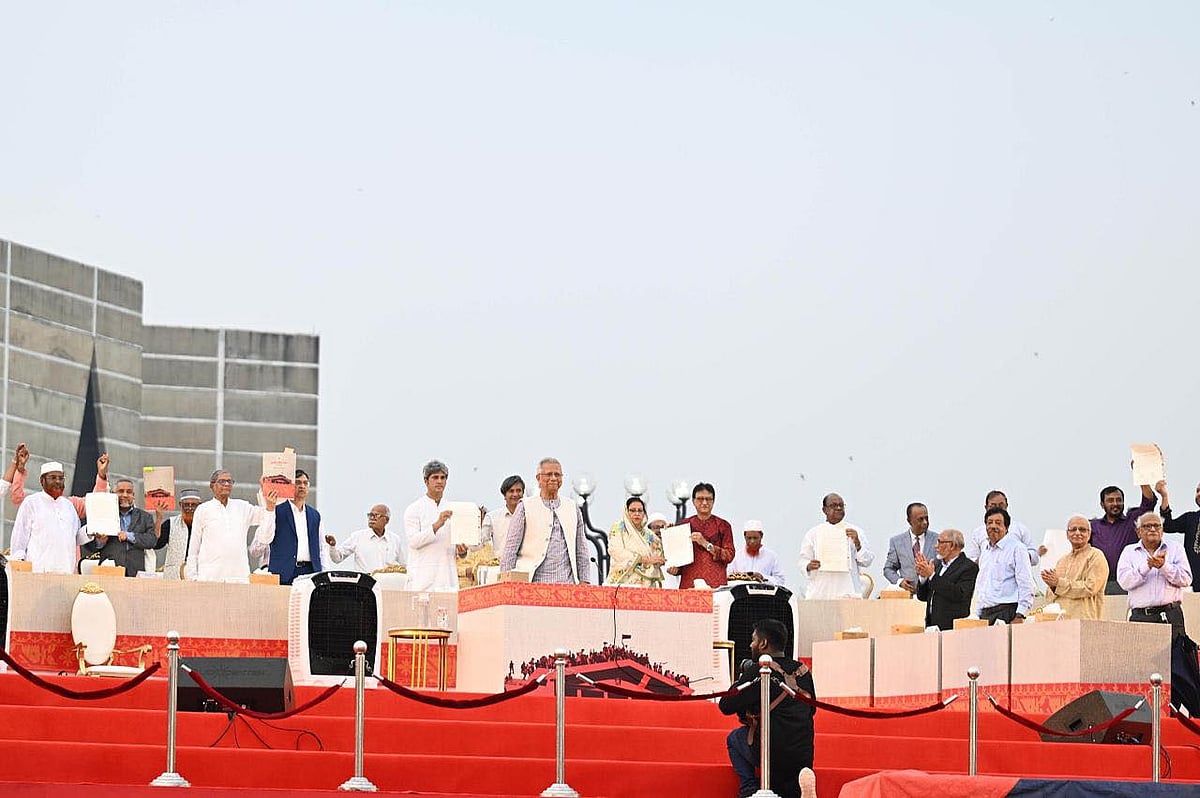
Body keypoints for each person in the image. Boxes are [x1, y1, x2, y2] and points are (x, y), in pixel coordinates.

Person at [718, 618, 815, 798]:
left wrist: (741, 679)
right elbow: (812, 710)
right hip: (803, 755)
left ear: (763, 643)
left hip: (771, 753)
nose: (751, 645)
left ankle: (749, 789)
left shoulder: (760, 670)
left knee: (734, 738)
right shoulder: (803, 671)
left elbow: (725, 705)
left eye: (753, 640)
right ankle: (803, 788)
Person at [500, 457, 591, 584]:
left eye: (557, 474)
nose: (553, 478)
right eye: (548, 474)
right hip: (532, 584)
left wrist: (585, 581)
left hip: (567, 583)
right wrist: (506, 584)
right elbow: (510, 550)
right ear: (538, 479)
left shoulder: (572, 507)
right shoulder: (525, 506)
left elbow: (581, 548)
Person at [186, 470, 278, 581]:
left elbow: (265, 516)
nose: (226, 484)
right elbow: (194, 548)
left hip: (239, 577)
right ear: (212, 485)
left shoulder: (242, 507)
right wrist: (192, 577)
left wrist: (267, 497)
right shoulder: (203, 510)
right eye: (222, 481)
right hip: (210, 577)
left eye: (229, 481)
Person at [1117, 512, 1192, 638]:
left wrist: (1164, 566)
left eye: (1157, 526)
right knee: (1140, 656)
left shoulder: (1175, 548)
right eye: (1147, 526)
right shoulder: (1129, 551)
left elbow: (1186, 579)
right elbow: (1125, 582)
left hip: (1171, 615)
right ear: (1138, 531)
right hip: (1141, 617)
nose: (1152, 529)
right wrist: (1148, 566)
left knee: (1174, 656)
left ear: (1162, 531)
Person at [9, 462, 92, 573]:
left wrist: (91, 530)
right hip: (38, 572)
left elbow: (75, 538)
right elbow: (19, 538)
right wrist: (19, 566)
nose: (58, 481)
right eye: (53, 478)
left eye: (61, 478)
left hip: (66, 572)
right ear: (42, 480)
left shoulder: (69, 506)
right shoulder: (31, 503)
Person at [252, 469, 325, 585]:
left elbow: (320, 547)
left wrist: (323, 573)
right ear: (290, 486)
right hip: (283, 572)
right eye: (298, 483)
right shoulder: (276, 510)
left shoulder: (315, 515)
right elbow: (262, 541)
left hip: (310, 573)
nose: (302, 486)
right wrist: (269, 507)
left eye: (305, 483)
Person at [404, 460, 467, 591]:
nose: (439, 481)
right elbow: (414, 541)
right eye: (435, 477)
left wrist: (462, 552)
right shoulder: (414, 509)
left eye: (442, 478)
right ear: (426, 481)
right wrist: (437, 524)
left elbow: (458, 545)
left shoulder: (453, 508)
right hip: (422, 578)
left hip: (447, 578)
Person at [799, 493, 874, 599]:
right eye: (834, 505)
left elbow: (867, 561)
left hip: (847, 590)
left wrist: (857, 543)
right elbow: (803, 561)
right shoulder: (813, 533)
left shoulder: (855, 531)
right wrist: (808, 565)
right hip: (821, 591)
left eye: (841, 505)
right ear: (824, 510)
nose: (838, 508)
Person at [1091, 481, 1159, 594]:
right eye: (1110, 500)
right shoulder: (1093, 526)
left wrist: (1141, 474)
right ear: (1102, 504)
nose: (1115, 503)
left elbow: (1148, 503)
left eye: (1119, 500)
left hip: (1129, 581)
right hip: (1100, 583)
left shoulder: (1132, 521)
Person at [81, 477, 157, 576]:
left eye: (129, 492)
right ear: (113, 494)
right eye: (121, 491)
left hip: (136, 572)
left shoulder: (145, 517)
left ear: (133, 496)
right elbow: (89, 547)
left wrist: (129, 536)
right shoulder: (103, 514)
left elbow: (152, 540)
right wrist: (100, 541)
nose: (125, 495)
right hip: (109, 571)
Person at [666, 482, 735, 589]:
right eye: (700, 499)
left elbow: (729, 555)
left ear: (713, 501)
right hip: (689, 585)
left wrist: (706, 544)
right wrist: (674, 568)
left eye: (708, 499)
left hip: (715, 586)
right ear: (693, 501)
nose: (704, 502)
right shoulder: (684, 526)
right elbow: (678, 560)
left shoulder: (723, 526)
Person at [1042, 514, 1109, 620]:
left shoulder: (1096, 556)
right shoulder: (1062, 561)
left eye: (1082, 530)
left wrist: (1059, 584)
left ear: (1089, 534)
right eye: (1073, 529)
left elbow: (1090, 588)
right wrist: (1052, 585)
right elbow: (1050, 596)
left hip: (1085, 622)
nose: (1077, 533)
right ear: (1067, 534)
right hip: (1060, 622)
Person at [975, 507, 1034, 624]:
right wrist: (977, 613)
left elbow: (1026, 583)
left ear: (1006, 528)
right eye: (989, 523)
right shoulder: (985, 552)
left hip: (1007, 611)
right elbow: (982, 584)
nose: (993, 526)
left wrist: (1020, 614)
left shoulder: (1017, 548)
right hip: (985, 614)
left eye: (998, 523)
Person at [915, 528, 978, 630]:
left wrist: (932, 576)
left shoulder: (968, 567)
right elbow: (923, 596)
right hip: (932, 625)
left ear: (952, 545)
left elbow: (959, 594)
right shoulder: (937, 565)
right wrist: (923, 577)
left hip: (953, 626)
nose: (936, 546)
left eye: (940, 542)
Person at [964, 490, 1040, 565]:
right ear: (986, 507)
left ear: (1006, 506)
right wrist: (985, 559)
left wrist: (1019, 557)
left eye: (1001, 505)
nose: (998, 509)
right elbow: (972, 559)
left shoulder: (1020, 529)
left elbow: (1034, 557)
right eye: (993, 506)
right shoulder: (978, 533)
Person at [605, 496, 665, 588]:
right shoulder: (618, 528)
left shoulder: (649, 534)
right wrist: (643, 559)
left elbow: (660, 551)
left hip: (646, 585)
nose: (636, 513)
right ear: (626, 512)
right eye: (632, 510)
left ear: (644, 513)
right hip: (622, 583)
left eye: (640, 510)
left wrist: (669, 534)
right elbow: (616, 551)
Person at [326, 504, 405, 573]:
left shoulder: (395, 540)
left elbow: (403, 566)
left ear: (386, 520)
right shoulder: (358, 536)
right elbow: (337, 558)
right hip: (366, 585)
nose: (372, 518)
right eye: (370, 515)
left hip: (387, 585)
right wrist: (332, 546)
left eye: (376, 515)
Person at [883, 502, 937, 594]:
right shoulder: (896, 542)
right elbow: (888, 569)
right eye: (920, 519)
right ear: (909, 521)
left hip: (931, 594)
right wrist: (900, 582)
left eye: (926, 518)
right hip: (907, 596)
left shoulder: (938, 540)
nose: (925, 522)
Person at [1158, 480, 1200, 589]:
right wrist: (1164, 496)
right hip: (1193, 584)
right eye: (1197, 491)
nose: (1199, 494)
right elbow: (1167, 525)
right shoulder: (1191, 518)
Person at [159, 489, 203, 580]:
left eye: (193, 505)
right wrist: (159, 519)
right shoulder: (170, 523)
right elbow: (156, 544)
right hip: (174, 576)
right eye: (186, 505)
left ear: (200, 506)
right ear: (180, 505)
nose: (190, 508)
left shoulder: (206, 525)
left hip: (199, 574)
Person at [728, 520, 787, 585]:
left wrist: (762, 577)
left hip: (764, 593)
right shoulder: (737, 556)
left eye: (755, 538)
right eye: (749, 538)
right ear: (744, 537)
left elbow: (781, 580)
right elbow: (728, 578)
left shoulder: (771, 556)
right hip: (740, 594)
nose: (752, 541)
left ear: (761, 536)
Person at [482, 475, 524, 554]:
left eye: (518, 490)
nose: (515, 494)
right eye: (511, 491)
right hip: (500, 564)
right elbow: (481, 543)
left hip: (526, 565)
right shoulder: (492, 518)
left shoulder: (531, 516)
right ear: (504, 495)